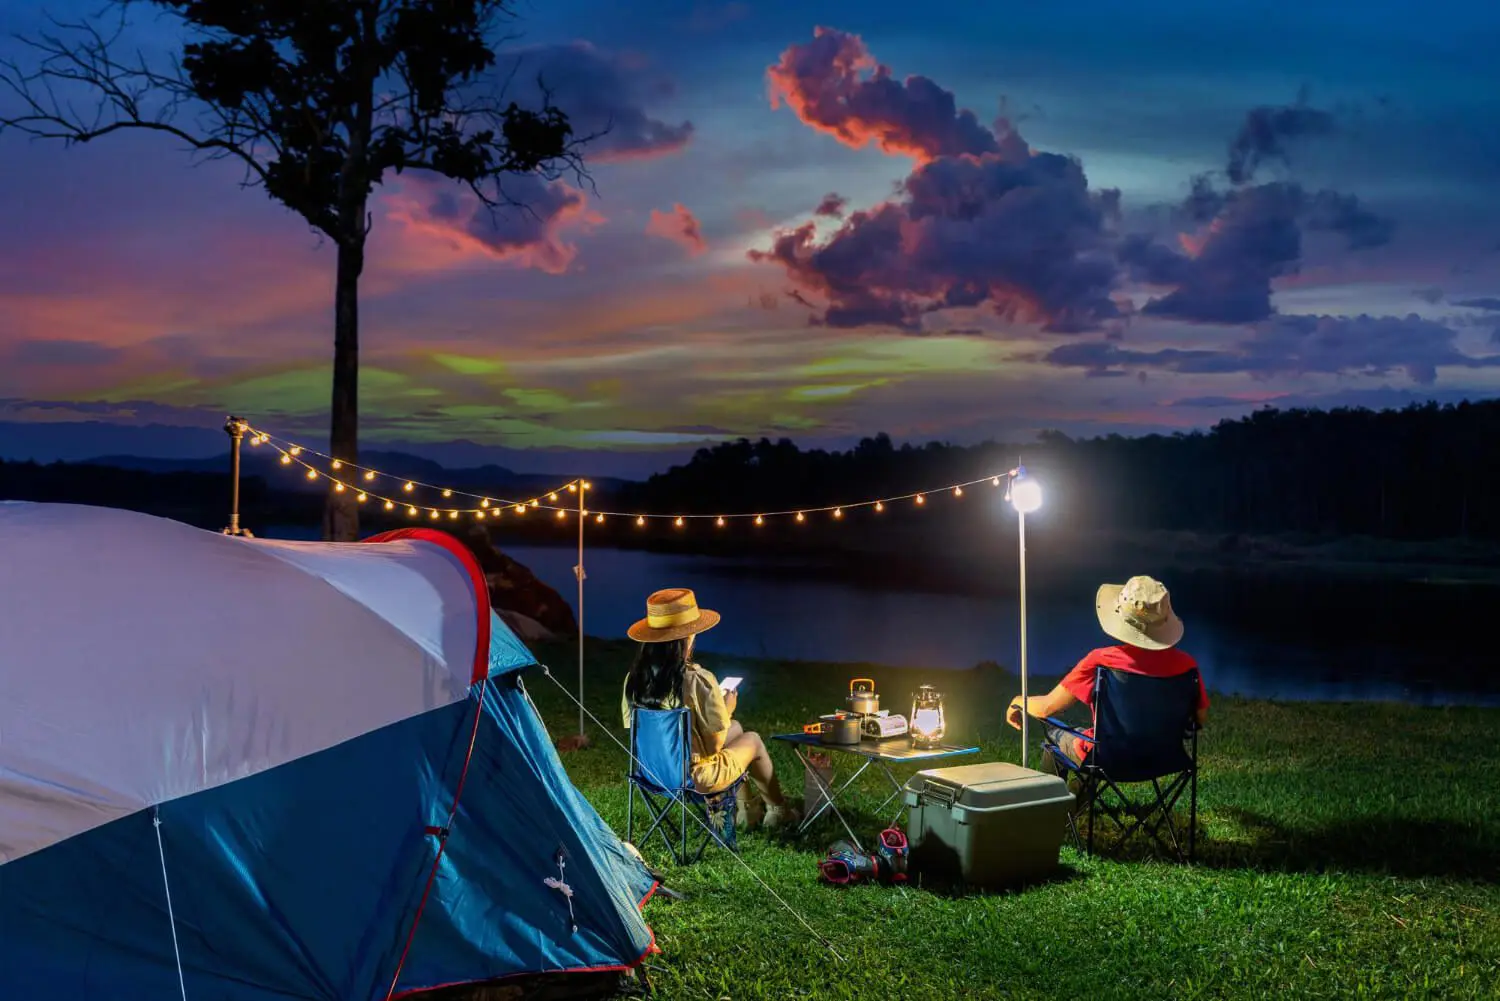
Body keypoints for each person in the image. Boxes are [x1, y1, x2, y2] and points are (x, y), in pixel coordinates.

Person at [621, 587, 797, 829]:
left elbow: (637, 732)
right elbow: (714, 746)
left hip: (652, 772)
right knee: (752, 739)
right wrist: (726, 708)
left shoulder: (634, 679)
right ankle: (778, 811)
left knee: (735, 729)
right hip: (692, 778)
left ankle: (749, 812)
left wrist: (725, 720)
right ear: (688, 636)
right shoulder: (697, 680)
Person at [1006, 575, 1209, 780]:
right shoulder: (1187, 665)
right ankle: (1079, 802)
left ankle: (1053, 806)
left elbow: (1046, 708)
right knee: (1090, 742)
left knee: (1056, 740)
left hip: (1107, 760)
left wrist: (1017, 702)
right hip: (1165, 760)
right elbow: (1199, 718)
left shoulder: (1102, 661)